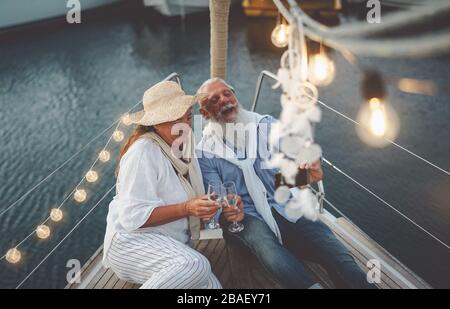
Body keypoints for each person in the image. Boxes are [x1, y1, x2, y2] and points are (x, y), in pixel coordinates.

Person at [196, 78, 375, 289]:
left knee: (335, 252)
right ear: (206, 114)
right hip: (246, 218)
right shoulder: (205, 152)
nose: (225, 101)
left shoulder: (265, 126)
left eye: (227, 93)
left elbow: (281, 179)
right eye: (214, 100)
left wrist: (308, 171)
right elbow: (216, 198)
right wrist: (227, 210)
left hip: (284, 205)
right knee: (268, 249)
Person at [103, 80, 222, 289]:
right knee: (197, 265)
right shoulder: (143, 153)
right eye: (176, 119)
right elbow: (133, 218)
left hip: (168, 241)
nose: (185, 125)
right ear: (156, 123)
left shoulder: (184, 146)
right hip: (130, 243)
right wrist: (187, 208)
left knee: (212, 286)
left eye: (187, 117)